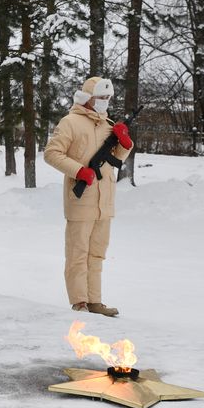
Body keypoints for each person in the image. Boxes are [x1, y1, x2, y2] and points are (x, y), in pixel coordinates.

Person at [43, 77, 133, 317]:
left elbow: (115, 160)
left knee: (97, 254)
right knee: (78, 253)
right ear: (88, 98)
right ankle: (79, 301)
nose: (105, 102)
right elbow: (52, 153)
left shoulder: (108, 125)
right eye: (101, 97)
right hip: (81, 200)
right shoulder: (70, 122)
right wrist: (79, 171)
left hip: (105, 202)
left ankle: (95, 301)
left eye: (108, 98)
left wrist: (125, 143)